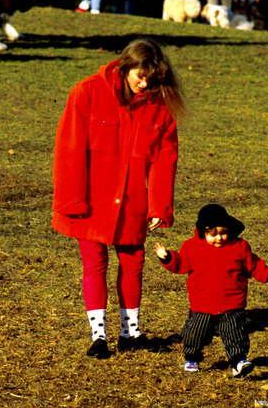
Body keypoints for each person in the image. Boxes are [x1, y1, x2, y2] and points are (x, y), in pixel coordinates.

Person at [52, 39, 186, 359]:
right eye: (140, 76)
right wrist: (72, 200)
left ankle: (131, 332)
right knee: (94, 264)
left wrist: (160, 206)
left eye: (151, 79)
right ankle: (99, 336)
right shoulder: (87, 92)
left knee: (133, 263)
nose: (144, 83)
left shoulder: (160, 107)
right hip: (90, 201)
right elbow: (69, 148)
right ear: (126, 66)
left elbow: (164, 160)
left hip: (131, 202)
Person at [154, 204, 268, 377]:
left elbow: (253, 264)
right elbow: (181, 264)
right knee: (196, 333)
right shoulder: (191, 247)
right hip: (202, 302)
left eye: (223, 233)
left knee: (235, 331)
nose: (219, 238)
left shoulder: (240, 246)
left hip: (232, 301)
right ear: (203, 232)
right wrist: (167, 257)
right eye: (213, 235)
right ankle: (192, 358)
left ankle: (238, 361)